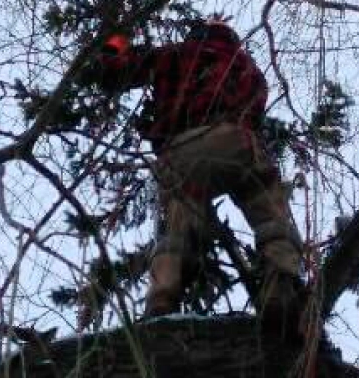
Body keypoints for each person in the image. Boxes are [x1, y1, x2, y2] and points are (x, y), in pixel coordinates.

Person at [94, 18, 304, 327]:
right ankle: (281, 287)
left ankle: (161, 301)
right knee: (270, 210)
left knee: (177, 227)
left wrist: (115, 41)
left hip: (183, 149)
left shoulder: (175, 55)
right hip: (236, 138)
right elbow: (257, 104)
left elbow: (116, 70)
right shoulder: (244, 63)